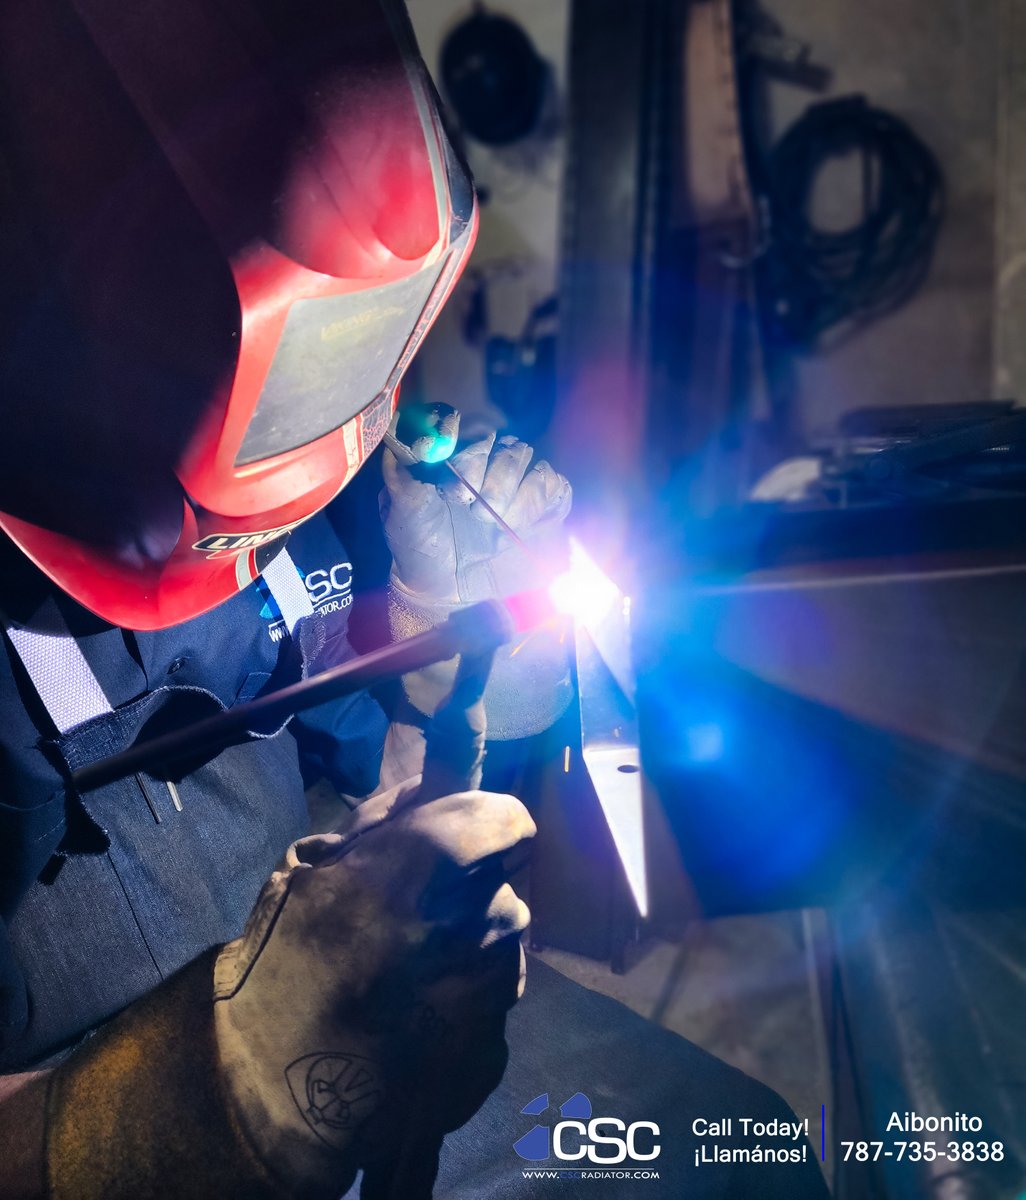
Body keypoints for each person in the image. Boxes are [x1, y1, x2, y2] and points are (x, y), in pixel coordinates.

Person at [0, 1, 830, 1196]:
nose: (331, 449)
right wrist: (201, 1088)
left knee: (734, 1156)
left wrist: (447, 647)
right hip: (93, 1122)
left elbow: (364, 749)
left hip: (326, 1011)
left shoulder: (281, 459)